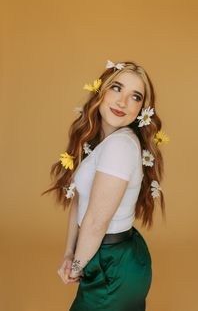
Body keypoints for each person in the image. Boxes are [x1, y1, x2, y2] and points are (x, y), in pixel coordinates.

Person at [42, 60, 169, 311]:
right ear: (101, 91)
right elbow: (80, 201)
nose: (122, 102)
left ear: (143, 109)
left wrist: (76, 266)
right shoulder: (99, 143)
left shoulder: (119, 147)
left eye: (135, 97)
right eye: (117, 88)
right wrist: (71, 253)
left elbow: (96, 221)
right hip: (102, 255)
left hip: (112, 263)